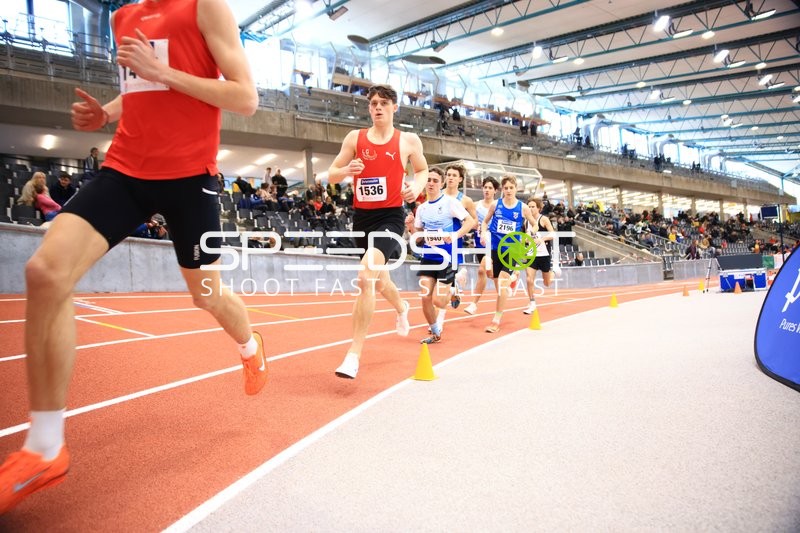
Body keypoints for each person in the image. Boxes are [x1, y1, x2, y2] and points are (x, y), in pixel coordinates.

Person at [0, 0, 267, 515]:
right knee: (44, 272)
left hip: (191, 178)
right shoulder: (122, 16)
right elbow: (141, 88)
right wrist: (107, 112)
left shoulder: (205, 6)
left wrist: (161, 69)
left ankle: (248, 345)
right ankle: (45, 446)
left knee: (205, 295)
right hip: (125, 169)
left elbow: (245, 98)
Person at [322, 84, 427, 379]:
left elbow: (421, 170)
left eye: (383, 103)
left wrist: (416, 188)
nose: (377, 107)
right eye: (373, 103)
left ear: (395, 107)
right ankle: (402, 306)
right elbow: (331, 173)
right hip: (362, 219)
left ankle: (353, 355)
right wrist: (346, 172)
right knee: (379, 282)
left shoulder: (407, 140)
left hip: (391, 218)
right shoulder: (354, 138)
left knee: (365, 275)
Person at [405, 167, 474, 344]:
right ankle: (436, 331)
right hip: (429, 256)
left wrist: (454, 236)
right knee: (425, 296)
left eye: (435, 180)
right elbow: (418, 238)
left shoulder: (451, 203)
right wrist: (412, 227)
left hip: (447, 258)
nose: (431, 183)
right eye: (428, 180)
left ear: (441, 184)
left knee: (437, 300)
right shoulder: (422, 209)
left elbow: (470, 222)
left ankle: (455, 287)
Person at [479, 175, 539, 333]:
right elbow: (485, 222)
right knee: (497, 283)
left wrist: (531, 233)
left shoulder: (523, 208)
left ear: (516, 188)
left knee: (502, 284)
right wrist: (483, 233)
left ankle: (496, 320)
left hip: (513, 249)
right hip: (495, 248)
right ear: (502, 189)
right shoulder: (495, 205)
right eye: (506, 188)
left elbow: (535, 224)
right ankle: (514, 277)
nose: (509, 190)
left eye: (511, 188)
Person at [464, 176, 499, 315]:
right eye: (485, 187)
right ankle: (509, 283)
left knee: (481, 270)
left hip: (494, 245)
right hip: (479, 244)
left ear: (495, 191)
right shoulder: (476, 205)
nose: (487, 190)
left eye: (490, 188)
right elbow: (469, 222)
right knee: (493, 276)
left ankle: (473, 304)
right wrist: (475, 226)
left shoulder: (498, 206)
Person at [522, 197, 556, 315]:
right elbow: (524, 238)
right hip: (531, 254)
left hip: (544, 255)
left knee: (547, 283)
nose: (530, 209)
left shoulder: (544, 219)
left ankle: (554, 273)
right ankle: (532, 303)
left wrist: (542, 239)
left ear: (539, 209)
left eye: (533, 207)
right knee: (528, 278)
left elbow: (553, 234)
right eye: (529, 207)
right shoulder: (526, 222)